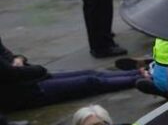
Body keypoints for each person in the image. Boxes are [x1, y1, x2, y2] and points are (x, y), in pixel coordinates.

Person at [0, 36, 142, 112]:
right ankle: (141, 77)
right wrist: (37, 69)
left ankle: (139, 72)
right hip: (25, 91)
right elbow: (11, 73)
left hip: (30, 78)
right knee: (90, 81)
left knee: (92, 73)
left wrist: (18, 59)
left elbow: (9, 55)